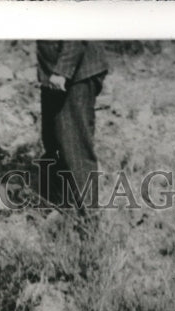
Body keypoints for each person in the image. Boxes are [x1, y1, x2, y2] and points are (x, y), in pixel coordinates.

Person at [36, 41, 108, 212]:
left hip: (74, 72)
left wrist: (62, 71)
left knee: (75, 148)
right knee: (54, 142)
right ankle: (55, 209)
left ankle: (87, 223)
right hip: (57, 71)